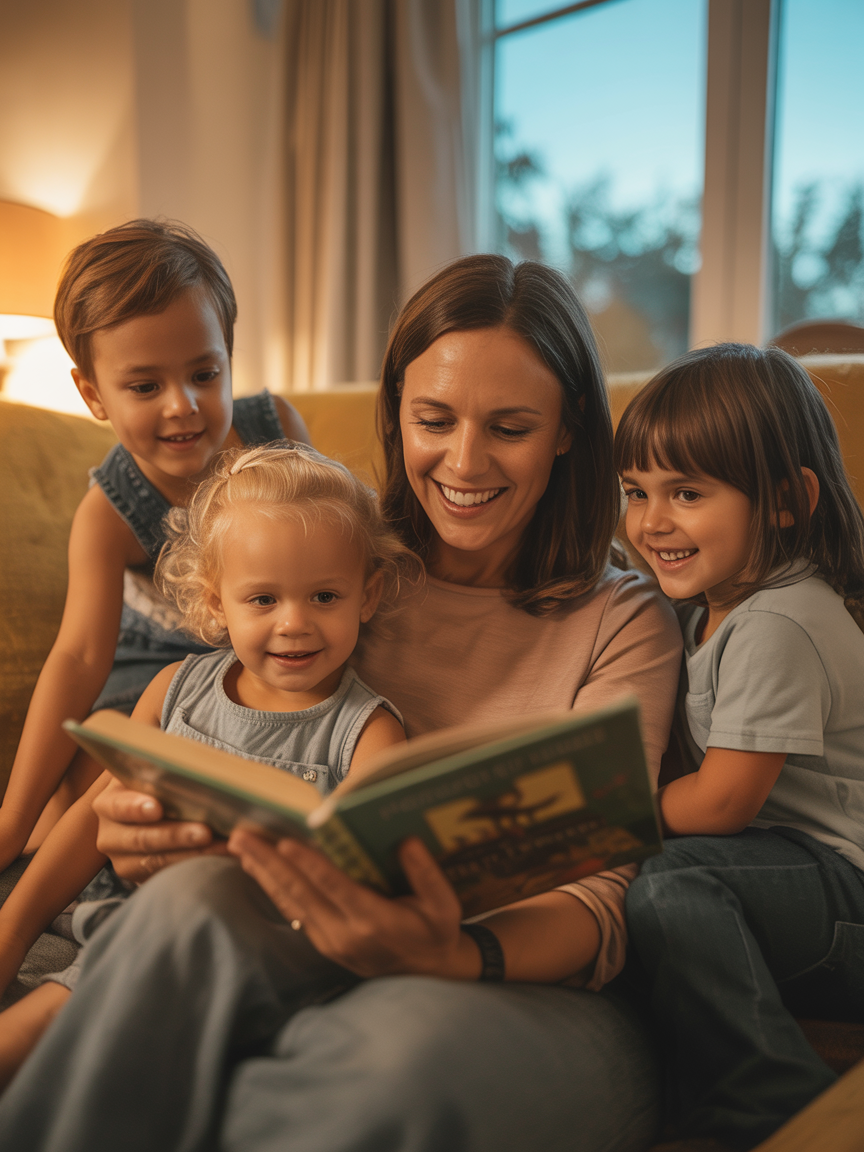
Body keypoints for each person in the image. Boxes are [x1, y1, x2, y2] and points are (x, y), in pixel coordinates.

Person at [0, 255, 682, 1152]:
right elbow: (207, 729)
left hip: (515, 982)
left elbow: (596, 898)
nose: (465, 462)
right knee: (187, 903)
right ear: (397, 414)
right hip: (295, 940)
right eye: (433, 420)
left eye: (510, 427)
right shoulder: (333, 573)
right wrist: (138, 822)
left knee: (381, 1073)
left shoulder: (624, 620)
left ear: (566, 429)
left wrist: (447, 953)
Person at [0, 441, 414, 1085]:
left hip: (243, 950)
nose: (295, 624)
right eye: (262, 600)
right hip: (123, 908)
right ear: (216, 602)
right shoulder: (176, 690)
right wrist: (12, 933)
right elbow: (91, 818)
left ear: (369, 593)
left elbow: (365, 891)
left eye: (326, 596)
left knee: (120, 976)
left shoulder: (370, 736)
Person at [0, 219, 309, 875]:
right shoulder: (110, 510)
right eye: (144, 386)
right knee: (101, 783)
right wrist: (11, 817)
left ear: (229, 353)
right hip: (147, 679)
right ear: (93, 395)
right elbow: (80, 657)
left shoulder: (274, 431)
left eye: (204, 373)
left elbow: (333, 545)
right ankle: (35, 845)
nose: (183, 406)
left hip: (262, 661)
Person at [616, 343, 864, 1150]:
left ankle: (775, 1102)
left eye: (688, 493)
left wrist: (615, 819)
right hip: (800, 871)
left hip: (847, 890)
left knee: (670, 886)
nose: (653, 522)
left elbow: (725, 801)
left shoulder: (777, 620)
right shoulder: (712, 607)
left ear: (788, 501)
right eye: (636, 492)